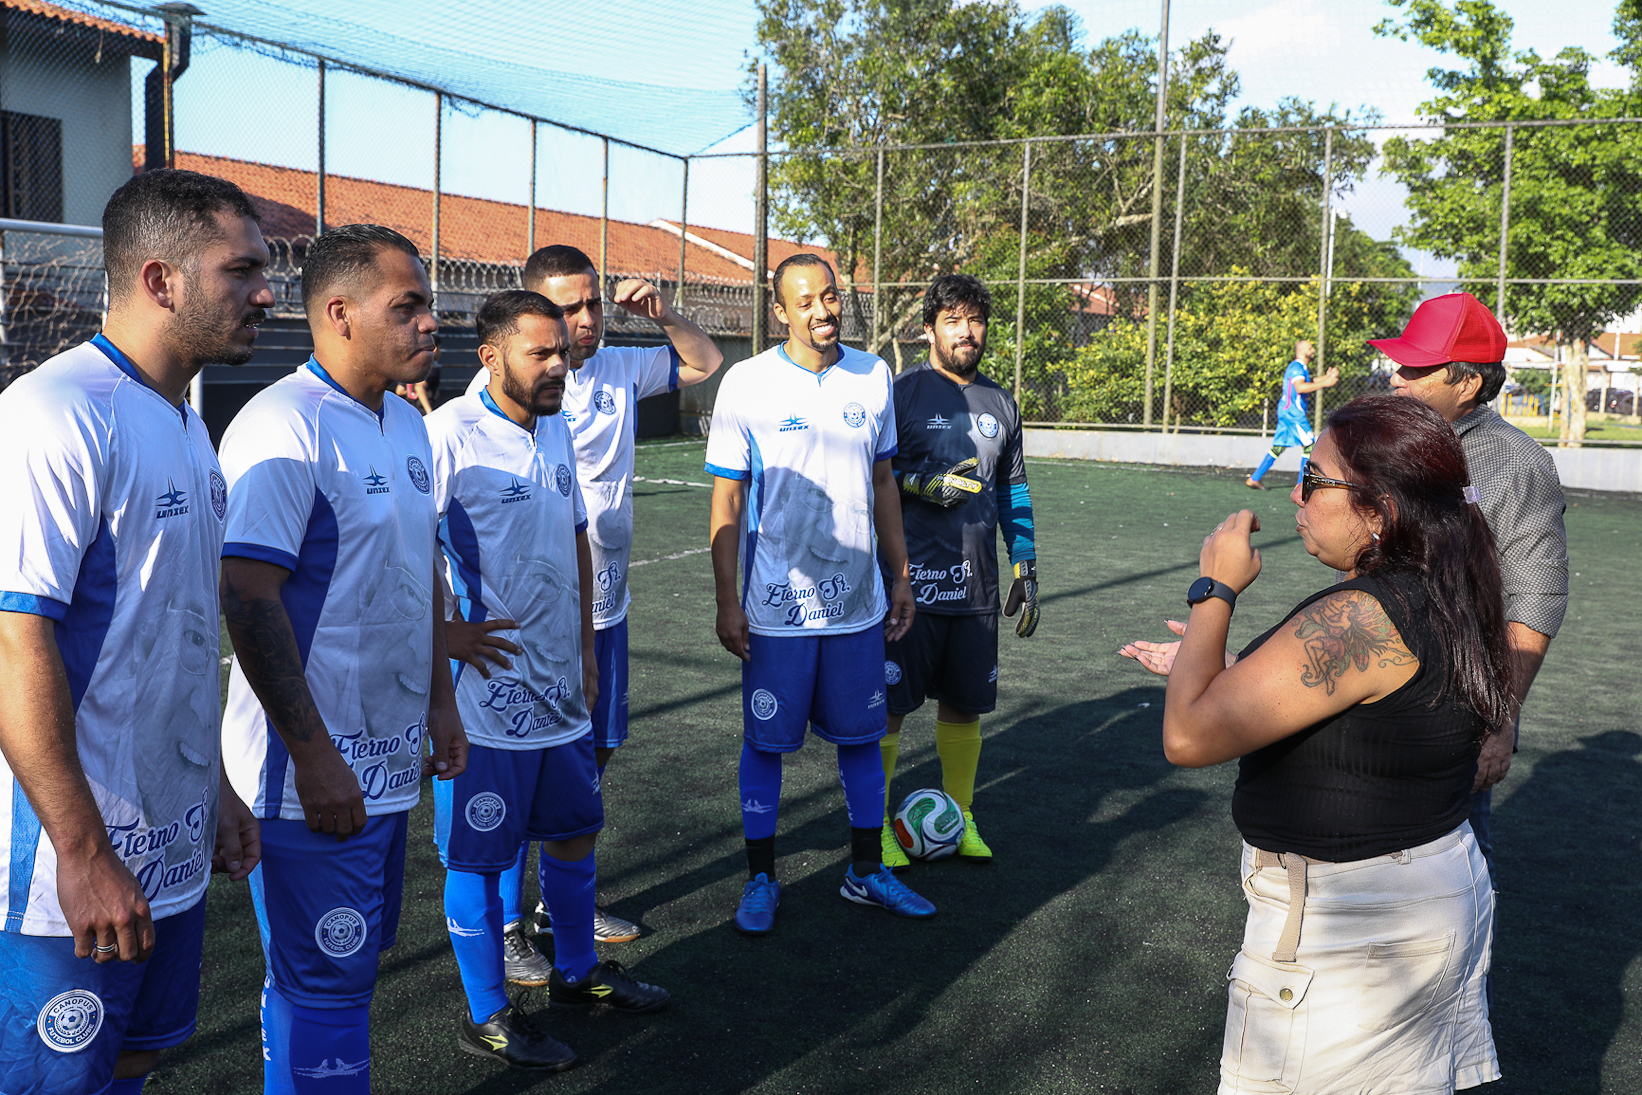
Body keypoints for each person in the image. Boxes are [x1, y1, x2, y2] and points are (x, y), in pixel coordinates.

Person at [1121, 394, 1510, 1092]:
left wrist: (1214, 586)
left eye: (1315, 477)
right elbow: (1382, 702)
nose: (1297, 491)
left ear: (1380, 510)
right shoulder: (1452, 582)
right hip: (1426, 893)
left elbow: (1185, 735)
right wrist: (1238, 674)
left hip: (1351, 933)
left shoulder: (1363, 615)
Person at [0, 168, 264, 1095]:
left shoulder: (186, 423)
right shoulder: (53, 414)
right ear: (160, 279)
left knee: (139, 1057)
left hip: (171, 829)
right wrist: (79, 850)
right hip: (63, 861)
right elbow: (12, 643)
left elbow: (175, 631)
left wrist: (219, 786)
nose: (267, 292)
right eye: (241, 270)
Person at [218, 223, 469, 1094]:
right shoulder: (282, 426)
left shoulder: (406, 421)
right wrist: (316, 758)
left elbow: (423, 571)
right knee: (324, 980)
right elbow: (247, 599)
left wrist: (441, 701)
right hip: (309, 778)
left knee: (346, 969)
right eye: (409, 307)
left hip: (390, 760)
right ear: (338, 313)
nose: (432, 323)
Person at [463, 244, 722, 977]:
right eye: (568, 307)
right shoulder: (521, 395)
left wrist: (664, 313)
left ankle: (559, 901)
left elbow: (705, 364)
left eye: (592, 303)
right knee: (517, 769)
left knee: (590, 757)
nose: (585, 320)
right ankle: (509, 924)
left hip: (605, 610)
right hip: (527, 625)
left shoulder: (618, 367)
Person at [429, 290, 669, 1072]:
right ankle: (490, 1013)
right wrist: (443, 636)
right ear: (491, 356)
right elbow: (401, 548)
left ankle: (576, 973)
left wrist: (588, 648)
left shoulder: (559, 426)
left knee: (574, 830)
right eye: (542, 353)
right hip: (484, 697)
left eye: (564, 351)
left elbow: (575, 534)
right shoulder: (448, 435)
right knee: (479, 856)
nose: (561, 365)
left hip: (560, 685)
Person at [706, 253, 934, 934]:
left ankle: (866, 870)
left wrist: (900, 574)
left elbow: (884, 483)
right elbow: (727, 495)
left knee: (863, 736)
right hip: (776, 608)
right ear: (779, 311)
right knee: (766, 744)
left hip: (858, 605)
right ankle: (761, 878)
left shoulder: (873, 374)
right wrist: (726, 598)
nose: (822, 310)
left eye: (830, 297)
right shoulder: (747, 383)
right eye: (805, 301)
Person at [1373, 290, 1568, 877]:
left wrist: (1502, 719)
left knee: (1450, 877)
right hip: (1366, 685)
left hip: (1451, 709)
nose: (1397, 377)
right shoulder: (1385, 438)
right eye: (1400, 363)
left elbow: (1538, 593)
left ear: (1467, 382)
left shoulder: (1516, 463)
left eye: (1417, 367)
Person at [878, 273, 1038, 870]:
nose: (966, 332)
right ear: (928, 329)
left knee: (965, 705)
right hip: (908, 588)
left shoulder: (1002, 403)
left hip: (975, 586)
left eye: (975, 320)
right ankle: (877, 829)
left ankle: (961, 816)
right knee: (890, 708)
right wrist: (922, 483)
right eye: (953, 320)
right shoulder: (902, 394)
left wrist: (1025, 563)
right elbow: (873, 480)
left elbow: (1012, 488)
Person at [1246, 340, 1338, 489]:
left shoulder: (1300, 367)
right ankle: (1302, 485)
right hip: (1293, 414)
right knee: (1309, 446)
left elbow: (1309, 381)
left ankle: (1254, 478)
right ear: (1302, 351)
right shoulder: (1296, 367)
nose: (1313, 350)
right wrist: (1325, 383)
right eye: (1310, 348)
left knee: (1278, 447)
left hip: (1287, 412)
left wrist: (1326, 378)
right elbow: (1300, 387)